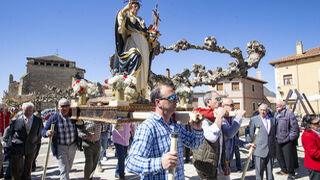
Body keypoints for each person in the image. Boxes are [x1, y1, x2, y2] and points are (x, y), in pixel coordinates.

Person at [126, 84, 204, 179]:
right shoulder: (148, 127)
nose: (176, 100)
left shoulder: (175, 125)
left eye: (176, 97)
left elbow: (195, 145)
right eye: (171, 97)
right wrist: (160, 163)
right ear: (158, 102)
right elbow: (131, 163)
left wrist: (197, 129)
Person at [112, 0, 158, 96]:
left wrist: (152, 37)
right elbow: (120, 23)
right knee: (135, 56)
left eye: (137, 6)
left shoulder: (141, 20)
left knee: (144, 66)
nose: (135, 8)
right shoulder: (127, 17)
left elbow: (146, 35)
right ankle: (130, 88)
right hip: (133, 42)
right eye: (133, 6)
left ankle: (140, 92)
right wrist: (125, 10)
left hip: (144, 45)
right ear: (129, 6)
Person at [192, 91, 229, 180]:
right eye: (218, 99)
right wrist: (220, 116)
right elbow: (212, 137)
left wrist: (225, 163)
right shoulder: (201, 117)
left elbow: (221, 143)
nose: (221, 101)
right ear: (208, 102)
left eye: (221, 99)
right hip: (206, 167)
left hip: (217, 165)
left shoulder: (216, 117)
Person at [3, 102, 43, 180]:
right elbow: (8, 131)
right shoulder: (15, 120)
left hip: (31, 147)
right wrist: (6, 141)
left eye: (30, 110)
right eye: (26, 110)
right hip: (17, 147)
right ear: (22, 110)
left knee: (28, 169)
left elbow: (40, 132)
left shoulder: (38, 120)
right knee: (17, 169)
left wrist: (37, 142)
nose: (28, 112)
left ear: (33, 110)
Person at [42, 98, 79, 180]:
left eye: (67, 106)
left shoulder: (73, 117)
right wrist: (47, 133)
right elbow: (43, 130)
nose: (65, 108)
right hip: (60, 147)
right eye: (62, 106)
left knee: (68, 168)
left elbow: (80, 126)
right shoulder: (53, 118)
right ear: (59, 107)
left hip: (72, 146)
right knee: (64, 170)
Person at [221, 98, 255, 173]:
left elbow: (232, 139)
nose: (233, 107)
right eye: (231, 105)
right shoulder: (221, 119)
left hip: (226, 159)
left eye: (234, 105)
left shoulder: (230, 118)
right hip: (219, 160)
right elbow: (229, 134)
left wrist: (245, 144)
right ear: (223, 106)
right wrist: (239, 117)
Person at [249, 103, 276, 180]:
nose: (263, 112)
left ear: (267, 111)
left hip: (270, 150)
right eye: (261, 110)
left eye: (264, 110)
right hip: (259, 150)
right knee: (259, 173)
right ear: (258, 110)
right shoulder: (254, 120)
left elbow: (274, 133)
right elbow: (251, 134)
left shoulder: (273, 120)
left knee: (270, 172)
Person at [274, 101, 299, 180]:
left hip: (287, 140)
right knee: (279, 156)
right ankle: (284, 170)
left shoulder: (289, 114)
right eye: (277, 105)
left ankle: (291, 173)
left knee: (288, 158)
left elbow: (294, 128)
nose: (277, 106)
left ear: (283, 106)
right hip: (277, 139)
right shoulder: (276, 114)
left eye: (279, 105)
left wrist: (290, 138)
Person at [301, 114, 320, 180]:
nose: (319, 124)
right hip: (315, 166)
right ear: (309, 125)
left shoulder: (316, 131)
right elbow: (313, 153)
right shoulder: (307, 135)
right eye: (316, 123)